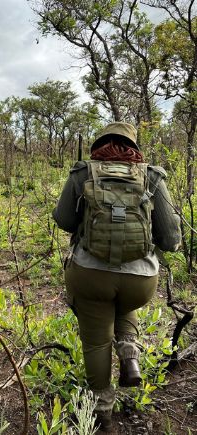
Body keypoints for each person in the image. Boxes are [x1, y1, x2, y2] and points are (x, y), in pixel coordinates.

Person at [52, 122, 181, 432]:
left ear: (100, 144)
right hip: (140, 282)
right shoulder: (152, 175)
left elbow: (64, 220)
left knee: (96, 343)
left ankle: (102, 412)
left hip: (91, 275)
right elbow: (170, 238)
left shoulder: (83, 172)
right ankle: (128, 352)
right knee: (125, 300)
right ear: (133, 146)